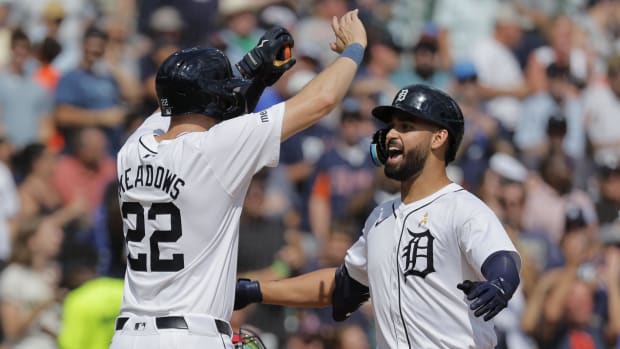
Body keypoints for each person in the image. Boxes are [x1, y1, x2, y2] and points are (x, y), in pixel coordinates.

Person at [110, 10, 367, 349]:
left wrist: (248, 72)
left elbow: (175, 107)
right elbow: (321, 101)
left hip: (128, 335)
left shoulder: (132, 149)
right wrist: (356, 47)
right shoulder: (214, 150)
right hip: (190, 335)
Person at [235, 84, 522, 349]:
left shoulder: (462, 207)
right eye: (392, 127)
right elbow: (342, 285)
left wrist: (500, 284)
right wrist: (255, 290)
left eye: (406, 127)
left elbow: (502, 259)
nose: (391, 135)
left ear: (439, 137)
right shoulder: (380, 218)